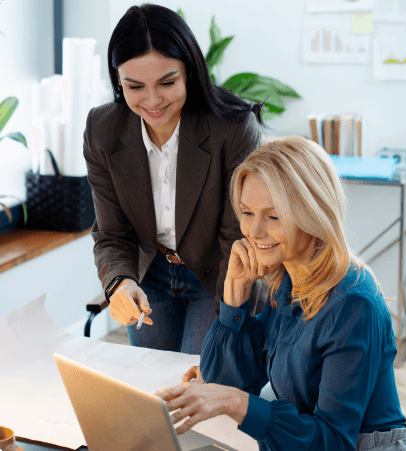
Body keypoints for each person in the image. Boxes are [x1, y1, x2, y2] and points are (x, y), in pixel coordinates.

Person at [156, 136, 406, 450]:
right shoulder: (288, 279)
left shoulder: (353, 303)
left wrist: (233, 401)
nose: (254, 231)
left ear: (313, 213)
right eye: (247, 212)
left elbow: (334, 442)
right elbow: (221, 383)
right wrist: (235, 294)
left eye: (273, 216)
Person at [83, 3, 268, 355]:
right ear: (118, 80)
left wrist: (230, 324)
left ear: (190, 72)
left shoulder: (232, 128)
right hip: (150, 273)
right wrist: (120, 282)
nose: (152, 101)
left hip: (218, 272)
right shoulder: (102, 130)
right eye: (135, 86)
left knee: (199, 379)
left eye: (167, 83)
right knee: (154, 382)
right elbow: (112, 233)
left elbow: (238, 236)